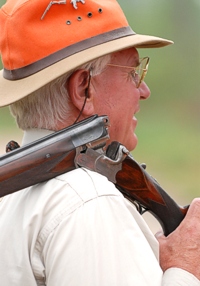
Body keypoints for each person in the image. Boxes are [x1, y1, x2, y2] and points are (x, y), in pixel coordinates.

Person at [0, 0, 199, 285]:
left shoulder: (12, 197)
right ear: (84, 88)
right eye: (132, 72)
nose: (144, 91)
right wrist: (186, 268)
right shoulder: (88, 199)